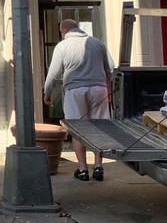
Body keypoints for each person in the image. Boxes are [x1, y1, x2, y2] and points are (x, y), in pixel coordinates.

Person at [43, 20, 114, 182]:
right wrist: (108, 89)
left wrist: (47, 91)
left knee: (77, 128)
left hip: (75, 90)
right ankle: (98, 167)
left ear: (64, 30)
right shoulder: (98, 44)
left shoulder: (62, 46)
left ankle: (82, 169)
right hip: (98, 89)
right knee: (100, 128)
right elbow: (110, 68)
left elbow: (54, 73)